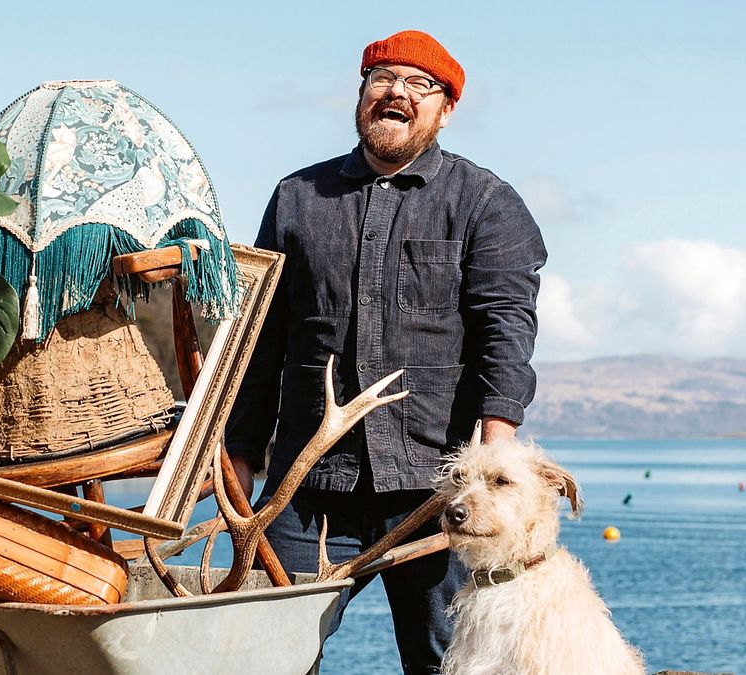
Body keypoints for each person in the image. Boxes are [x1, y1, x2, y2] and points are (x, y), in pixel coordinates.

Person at [224, 29, 547, 673]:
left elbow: (505, 331)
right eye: (383, 79)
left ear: (446, 108)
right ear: (362, 92)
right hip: (307, 487)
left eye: (420, 85)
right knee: (267, 657)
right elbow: (261, 341)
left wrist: (493, 454)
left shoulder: (486, 202)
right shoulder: (296, 198)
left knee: (449, 662)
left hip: (436, 491)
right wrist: (239, 450)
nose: (397, 93)